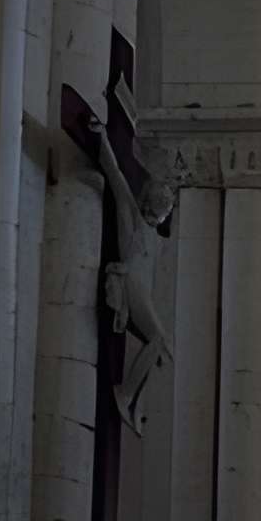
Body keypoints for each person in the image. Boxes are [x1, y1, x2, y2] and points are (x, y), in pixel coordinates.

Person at [89, 114, 175, 432]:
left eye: (162, 211)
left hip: (141, 290)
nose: (155, 214)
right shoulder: (133, 217)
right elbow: (115, 176)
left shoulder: (154, 236)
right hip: (130, 282)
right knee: (159, 338)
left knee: (164, 349)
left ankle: (136, 404)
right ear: (147, 202)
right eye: (154, 207)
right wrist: (101, 137)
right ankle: (124, 395)